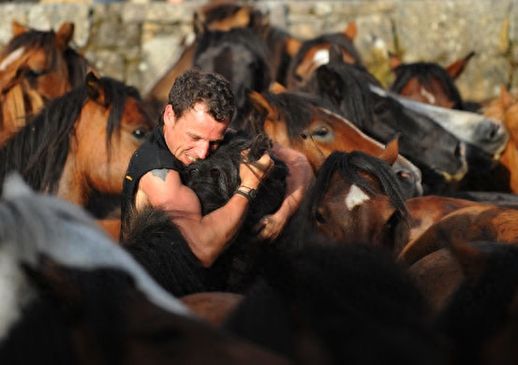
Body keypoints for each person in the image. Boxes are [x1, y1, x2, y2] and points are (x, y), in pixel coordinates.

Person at [121, 69, 312, 268]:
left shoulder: (214, 133)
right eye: (194, 138)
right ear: (170, 115)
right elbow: (203, 250)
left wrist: (281, 215)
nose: (203, 152)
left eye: (214, 142)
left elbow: (298, 161)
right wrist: (249, 185)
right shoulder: (157, 174)